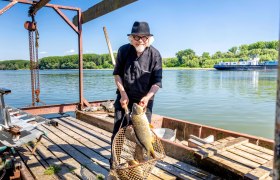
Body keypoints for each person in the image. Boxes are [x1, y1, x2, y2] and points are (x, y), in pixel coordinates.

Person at [110, 21, 162, 168]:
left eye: (144, 37)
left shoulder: (155, 54)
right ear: (131, 38)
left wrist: (147, 97)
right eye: (136, 37)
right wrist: (123, 93)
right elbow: (117, 75)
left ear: (149, 39)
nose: (140, 40)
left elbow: (157, 83)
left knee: (143, 136)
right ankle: (114, 165)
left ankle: (138, 166)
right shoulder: (123, 50)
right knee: (117, 133)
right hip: (124, 98)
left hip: (144, 103)